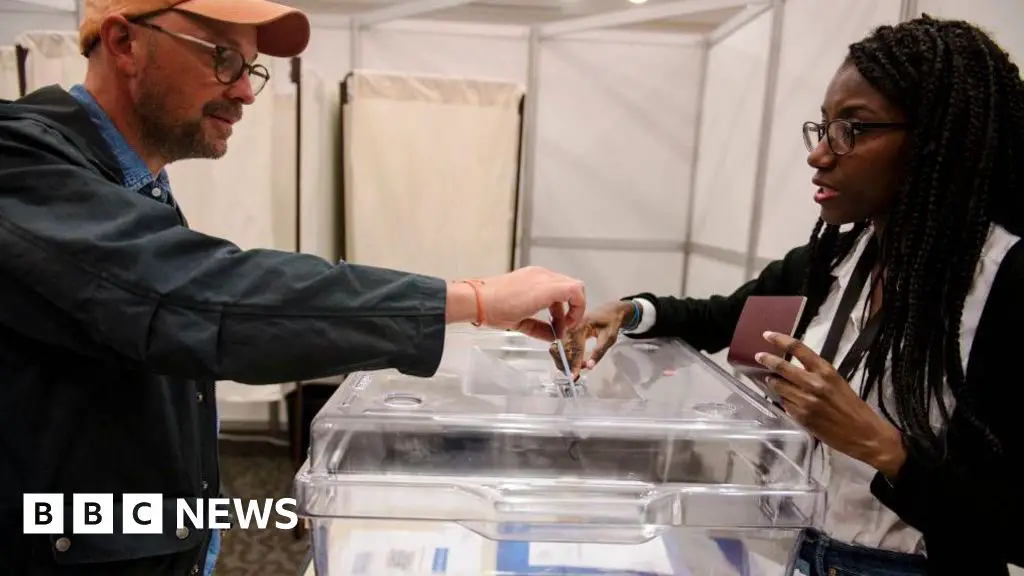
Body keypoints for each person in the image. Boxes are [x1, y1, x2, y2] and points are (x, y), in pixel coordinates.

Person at [0, 0, 587, 573]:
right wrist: (469, 300)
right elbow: (196, 296)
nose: (247, 91)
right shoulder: (22, 163)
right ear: (125, 42)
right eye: (224, 58)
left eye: (251, 68)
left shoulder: (130, 184)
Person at [556, 15, 1023, 576]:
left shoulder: (1007, 285)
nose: (820, 154)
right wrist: (631, 312)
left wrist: (886, 450)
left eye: (852, 129)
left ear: (936, 139)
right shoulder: (836, 260)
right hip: (806, 552)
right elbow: (723, 317)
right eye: (822, 127)